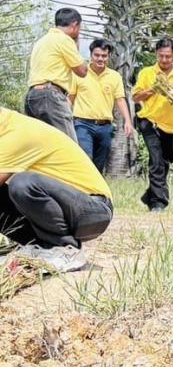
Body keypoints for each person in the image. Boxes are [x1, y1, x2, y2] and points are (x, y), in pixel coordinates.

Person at [0, 107, 113, 273]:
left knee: (23, 184)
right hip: (68, 208)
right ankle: (39, 246)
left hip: (94, 209)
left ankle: (66, 249)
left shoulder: (17, 132)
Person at [133, 39, 173, 212]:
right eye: (161, 56)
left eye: (168, 56)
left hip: (170, 125)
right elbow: (136, 97)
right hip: (149, 121)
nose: (164, 60)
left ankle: (149, 196)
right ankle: (159, 203)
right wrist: (153, 89)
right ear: (156, 54)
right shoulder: (147, 73)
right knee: (156, 161)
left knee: (165, 162)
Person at [70, 39, 134, 174]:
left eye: (104, 56)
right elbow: (70, 98)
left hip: (105, 127)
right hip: (82, 124)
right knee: (85, 157)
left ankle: (95, 192)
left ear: (108, 57)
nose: (100, 59)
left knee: (100, 163)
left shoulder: (114, 76)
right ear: (91, 55)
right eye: (97, 55)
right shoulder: (80, 73)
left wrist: (128, 121)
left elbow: (120, 100)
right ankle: (83, 190)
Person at [25, 7, 87, 138]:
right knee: (69, 146)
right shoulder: (64, 40)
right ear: (75, 25)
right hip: (50, 96)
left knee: (44, 146)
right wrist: (76, 42)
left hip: (32, 97)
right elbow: (82, 71)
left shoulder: (41, 41)